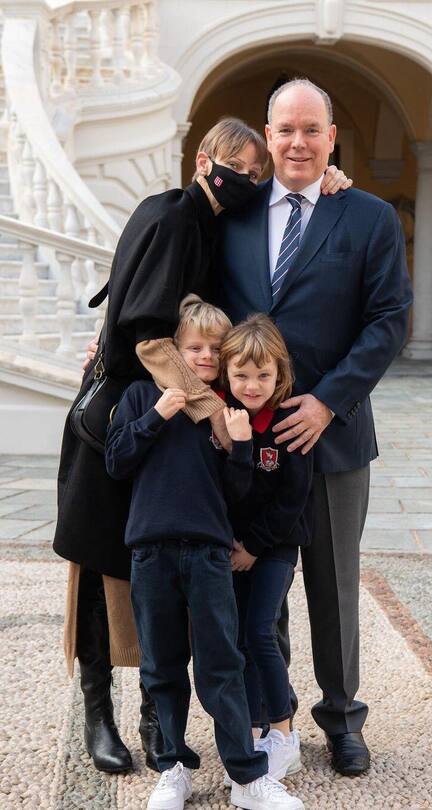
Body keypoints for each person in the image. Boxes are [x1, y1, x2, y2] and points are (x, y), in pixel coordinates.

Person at [53, 118, 269, 773]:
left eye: (257, 174)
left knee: (148, 572)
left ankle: (156, 720)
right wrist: (208, 411)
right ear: (204, 160)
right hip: (123, 416)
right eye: (238, 166)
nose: (248, 181)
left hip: (158, 411)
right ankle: (99, 717)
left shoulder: (197, 219)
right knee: (98, 570)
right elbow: (147, 336)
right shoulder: (175, 215)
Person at [216, 79, 413, 775]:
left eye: (311, 130)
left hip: (332, 438)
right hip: (247, 444)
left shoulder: (366, 217)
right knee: (257, 581)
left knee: (333, 587)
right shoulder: (231, 217)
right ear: (267, 138)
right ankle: (276, 718)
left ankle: (342, 718)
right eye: (285, 129)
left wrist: (328, 400)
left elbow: (389, 319)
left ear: (332, 137)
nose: (298, 142)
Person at [105, 297, 304, 810]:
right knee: (162, 665)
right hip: (150, 548)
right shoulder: (140, 395)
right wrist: (155, 416)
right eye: (193, 346)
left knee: (222, 665)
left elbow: (237, 496)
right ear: (176, 346)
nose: (203, 356)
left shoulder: (225, 414)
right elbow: (116, 461)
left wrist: (239, 447)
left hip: (210, 552)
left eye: (215, 348)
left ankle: (247, 776)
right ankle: (172, 768)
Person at [219, 315, 313, 783]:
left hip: (274, 546)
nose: (252, 385)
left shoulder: (287, 423)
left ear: (281, 375)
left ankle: (283, 730)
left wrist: (255, 546)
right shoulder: (223, 420)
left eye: (263, 375)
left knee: (261, 631)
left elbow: (293, 497)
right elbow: (228, 492)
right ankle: (255, 727)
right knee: (237, 637)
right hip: (231, 548)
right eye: (241, 375)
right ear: (225, 373)